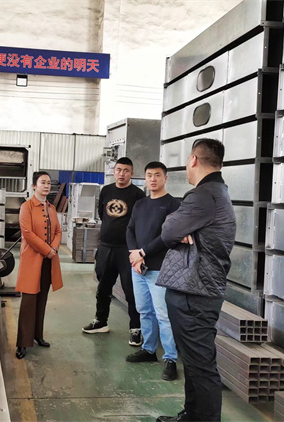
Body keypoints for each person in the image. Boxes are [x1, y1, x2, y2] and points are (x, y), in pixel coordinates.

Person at [155, 139, 236, 422]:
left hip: (195, 293)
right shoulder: (216, 193)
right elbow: (176, 229)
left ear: (193, 160)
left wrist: (178, 226)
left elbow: (168, 231)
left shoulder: (203, 195)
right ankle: (192, 415)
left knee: (200, 365)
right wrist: (181, 228)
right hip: (196, 289)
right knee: (193, 361)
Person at [82, 157, 146, 347]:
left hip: (127, 250)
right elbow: (103, 214)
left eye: (126, 170)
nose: (121, 174)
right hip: (106, 247)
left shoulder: (138, 194)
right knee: (103, 287)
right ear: (114, 171)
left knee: (131, 291)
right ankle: (101, 321)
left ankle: (135, 328)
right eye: (118, 170)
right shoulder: (106, 190)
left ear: (131, 173)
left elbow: (140, 222)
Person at [125, 161, 180, 381]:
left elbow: (167, 237)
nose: (153, 179)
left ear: (165, 178)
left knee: (163, 315)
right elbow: (130, 229)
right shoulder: (140, 204)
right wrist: (134, 254)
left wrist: (142, 253)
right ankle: (148, 350)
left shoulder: (173, 205)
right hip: (138, 268)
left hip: (159, 269)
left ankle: (171, 358)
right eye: (149, 175)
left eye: (157, 175)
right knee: (144, 311)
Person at [15, 171, 63, 360]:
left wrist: (54, 249)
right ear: (34, 185)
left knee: (42, 299)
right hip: (32, 260)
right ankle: (22, 342)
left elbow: (58, 231)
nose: (47, 186)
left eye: (49, 183)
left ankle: (37, 335)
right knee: (29, 301)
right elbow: (27, 233)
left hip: (48, 261)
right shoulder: (26, 207)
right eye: (43, 182)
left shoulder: (51, 208)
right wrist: (47, 250)